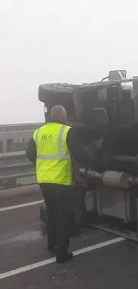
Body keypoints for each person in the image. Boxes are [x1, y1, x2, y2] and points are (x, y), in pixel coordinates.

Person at [26, 105, 83, 263]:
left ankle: (51, 245)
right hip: (61, 180)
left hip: (44, 180)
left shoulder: (39, 132)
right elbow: (79, 153)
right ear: (62, 117)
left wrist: (42, 166)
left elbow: (30, 154)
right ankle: (62, 253)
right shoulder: (66, 131)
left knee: (51, 212)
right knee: (62, 215)